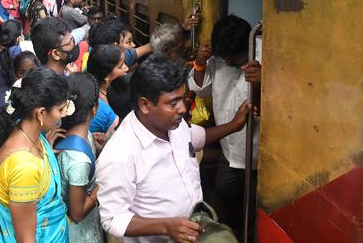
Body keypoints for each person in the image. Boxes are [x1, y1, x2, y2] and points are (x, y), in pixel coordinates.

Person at [97, 53, 251, 243]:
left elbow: (197, 137)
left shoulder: (174, 125)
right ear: (144, 104)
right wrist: (166, 226)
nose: (183, 109)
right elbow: (113, 219)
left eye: (182, 98)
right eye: (173, 103)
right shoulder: (119, 154)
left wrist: (234, 125)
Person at [187, 15, 261, 238]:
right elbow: (201, 88)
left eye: (233, 58)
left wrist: (262, 83)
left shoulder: (264, 56)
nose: (229, 63)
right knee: (224, 190)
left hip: (256, 154)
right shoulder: (220, 59)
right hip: (229, 151)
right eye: (225, 59)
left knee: (255, 203)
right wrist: (200, 63)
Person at [0, 67, 71, 243]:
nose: (63, 114)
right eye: (60, 109)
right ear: (41, 113)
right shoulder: (25, 167)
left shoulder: (23, 130)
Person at [56, 73, 104, 243]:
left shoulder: (69, 135)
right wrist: (102, 184)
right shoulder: (78, 160)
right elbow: (77, 213)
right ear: (94, 109)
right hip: (79, 234)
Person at [86, 45, 128, 151]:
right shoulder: (102, 109)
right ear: (106, 76)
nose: (126, 68)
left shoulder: (91, 91)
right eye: (121, 66)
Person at [0, 19, 24, 111]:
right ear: (19, 38)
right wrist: (22, 45)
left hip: (0, 102)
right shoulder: (24, 55)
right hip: (21, 101)